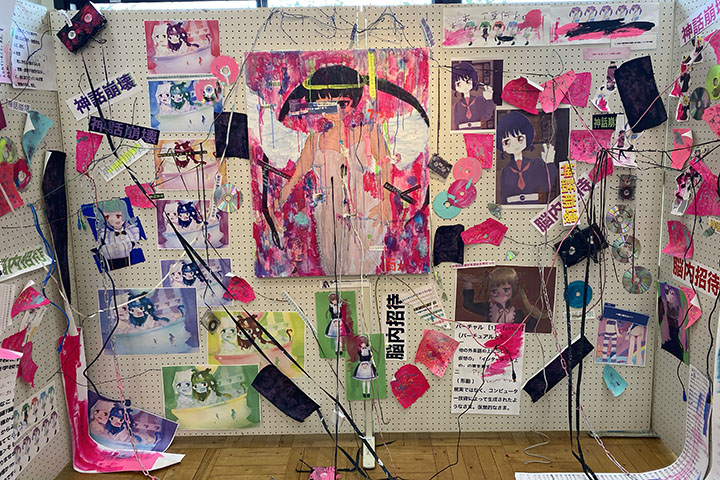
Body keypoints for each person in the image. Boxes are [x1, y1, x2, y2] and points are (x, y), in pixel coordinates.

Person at [273, 64, 429, 276]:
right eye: (325, 103)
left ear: (354, 103)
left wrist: (385, 200)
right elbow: (295, 178)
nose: (334, 110)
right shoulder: (314, 141)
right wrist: (276, 206)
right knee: (333, 266)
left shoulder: (368, 132)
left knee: (363, 266)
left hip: (364, 210)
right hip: (328, 213)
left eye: (342, 103)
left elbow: (385, 165)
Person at [496, 111, 557, 206]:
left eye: (520, 139)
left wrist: (549, 163)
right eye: (507, 142)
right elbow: (503, 197)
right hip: (512, 209)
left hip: (534, 207)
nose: (515, 145)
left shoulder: (536, 163)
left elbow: (546, 186)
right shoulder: (505, 171)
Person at [461, 267, 547, 330]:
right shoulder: (488, 308)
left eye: (506, 290)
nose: (500, 295)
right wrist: (468, 284)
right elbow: (468, 305)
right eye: (494, 291)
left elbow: (526, 330)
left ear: (513, 289)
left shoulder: (518, 313)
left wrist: (534, 316)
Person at [451, 61, 495, 130]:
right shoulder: (457, 105)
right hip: (462, 131)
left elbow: (487, 116)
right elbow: (456, 123)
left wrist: (489, 100)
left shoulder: (479, 100)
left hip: (477, 131)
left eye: (467, 81)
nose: (464, 86)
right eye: (459, 84)